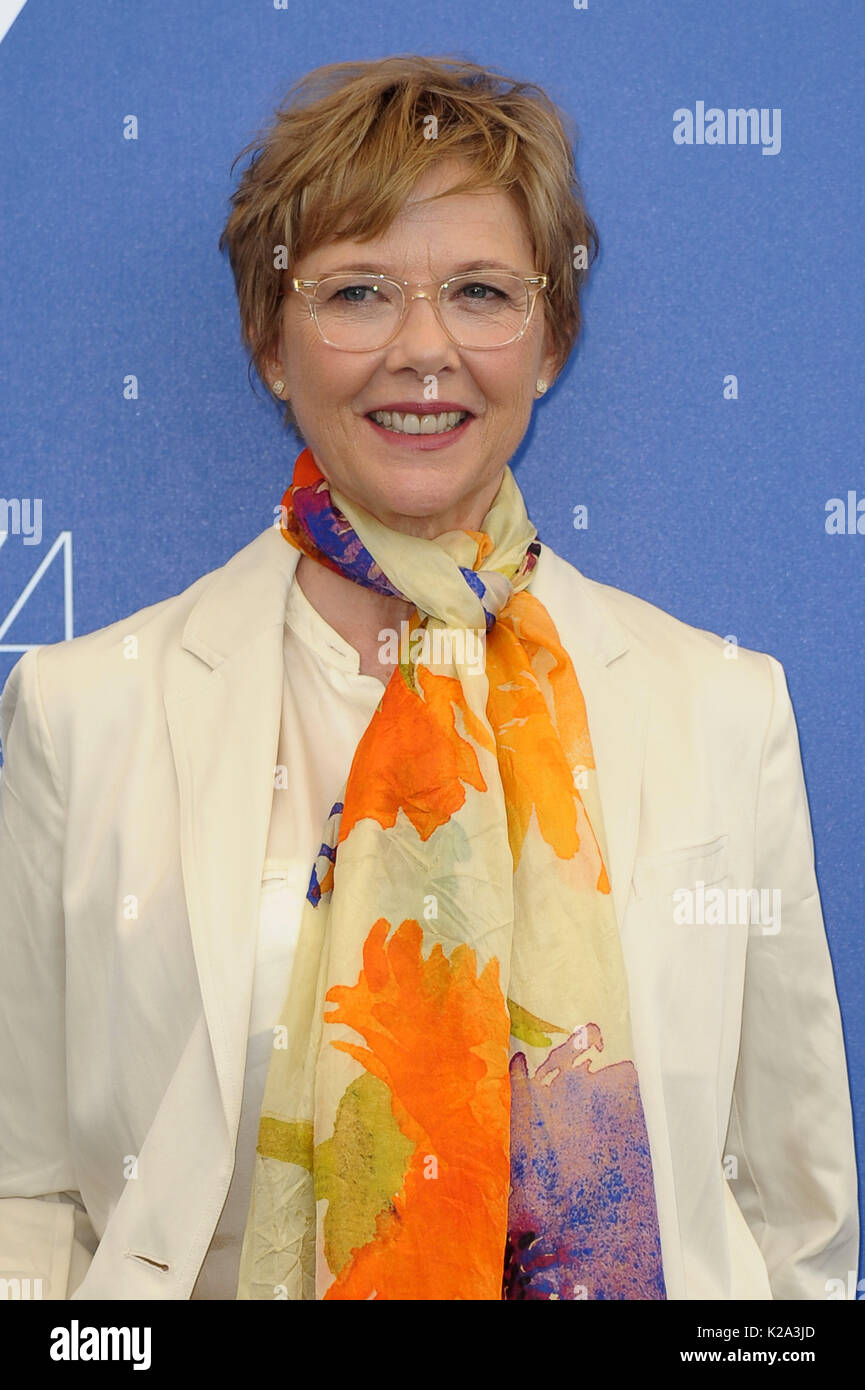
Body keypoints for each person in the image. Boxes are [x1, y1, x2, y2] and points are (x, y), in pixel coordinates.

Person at [0, 54, 857, 1302]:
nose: (423, 349)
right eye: (355, 292)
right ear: (271, 343)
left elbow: (796, 1212)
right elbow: (25, 1189)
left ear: (551, 338)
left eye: (478, 292)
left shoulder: (722, 709)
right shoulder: (84, 715)